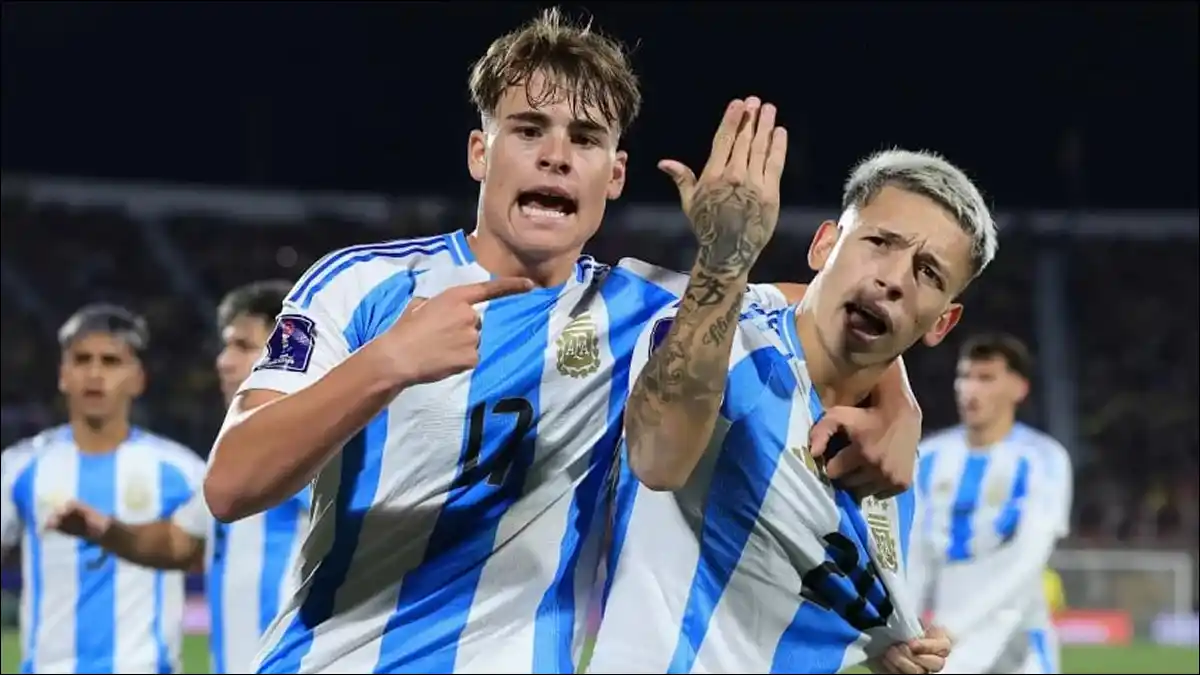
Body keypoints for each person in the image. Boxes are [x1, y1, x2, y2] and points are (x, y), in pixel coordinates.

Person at [203, 10, 924, 674]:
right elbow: (232, 485)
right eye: (528, 130)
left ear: (614, 175)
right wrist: (387, 363)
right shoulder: (364, 284)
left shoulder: (649, 312)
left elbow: (830, 315)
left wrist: (900, 406)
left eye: (584, 139)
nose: (556, 156)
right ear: (480, 152)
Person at [592, 104, 996, 673]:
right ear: (824, 246)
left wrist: (894, 647)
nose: (893, 278)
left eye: (928, 272)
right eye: (879, 242)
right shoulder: (720, 342)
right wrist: (724, 257)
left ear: (942, 323)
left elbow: (849, 610)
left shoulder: (892, 475)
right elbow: (656, 460)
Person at [44, 281, 310, 674]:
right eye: (226, 346)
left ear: (289, 353)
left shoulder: (321, 448)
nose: (223, 362)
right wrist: (105, 530)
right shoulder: (237, 455)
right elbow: (178, 542)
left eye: (242, 346)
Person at [0, 304, 205, 673]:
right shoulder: (19, 467)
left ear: (138, 378)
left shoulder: (182, 471)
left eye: (111, 361)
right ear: (63, 375)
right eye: (82, 360)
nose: (94, 374)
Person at [909, 333, 1073, 674]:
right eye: (965, 376)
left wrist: (956, 624)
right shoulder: (928, 456)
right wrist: (907, 622)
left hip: (1016, 628)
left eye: (986, 378)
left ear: (1019, 388)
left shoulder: (1043, 458)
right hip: (947, 633)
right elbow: (915, 550)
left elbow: (1030, 553)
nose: (970, 389)